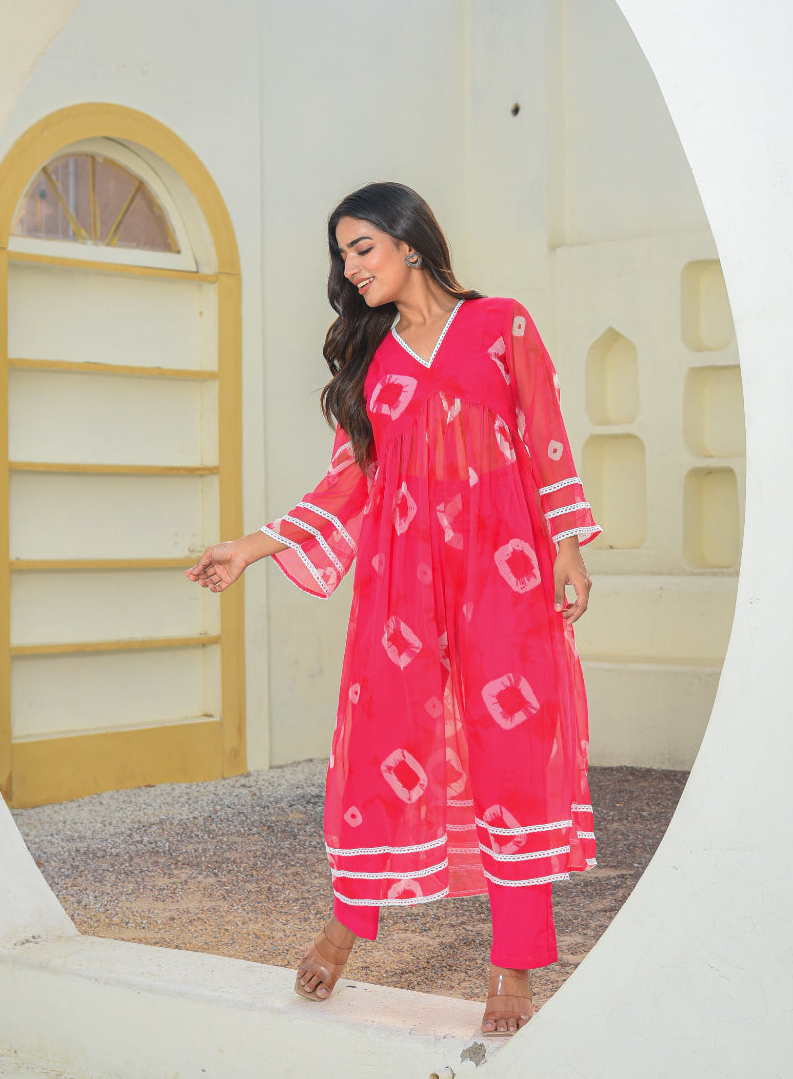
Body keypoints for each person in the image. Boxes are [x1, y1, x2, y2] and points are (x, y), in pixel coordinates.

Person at [187, 182, 601, 1035]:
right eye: (341, 255)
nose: (349, 268)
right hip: (401, 581)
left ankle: (513, 963)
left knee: (512, 753)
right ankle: (346, 925)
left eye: (362, 247)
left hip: (503, 568)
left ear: (410, 242)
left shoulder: (501, 325)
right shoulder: (370, 356)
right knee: (381, 747)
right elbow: (348, 481)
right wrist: (250, 548)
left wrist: (566, 544)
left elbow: (545, 433)